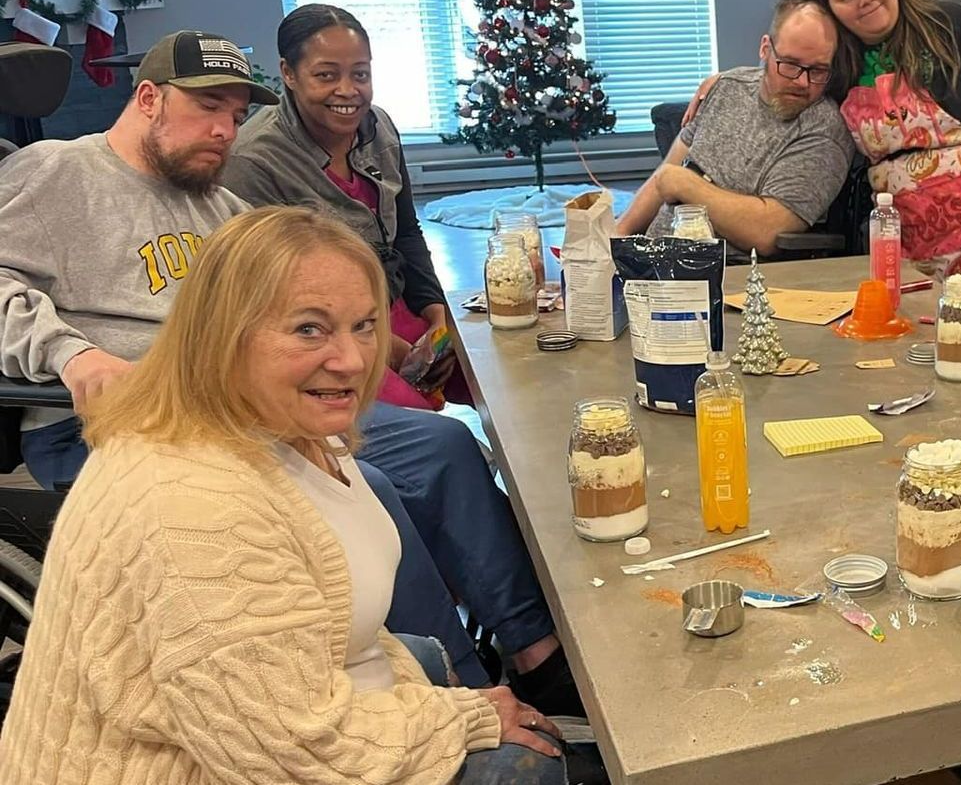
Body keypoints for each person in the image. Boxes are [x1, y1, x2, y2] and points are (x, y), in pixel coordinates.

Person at [0, 29, 583, 707]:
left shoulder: (218, 206)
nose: (223, 131)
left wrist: (384, 342)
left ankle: (536, 652)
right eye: (207, 108)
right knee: (358, 485)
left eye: (235, 116)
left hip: (253, 404)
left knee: (445, 444)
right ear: (149, 98)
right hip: (135, 421)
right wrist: (72, 354)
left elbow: (303, 292)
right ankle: (456, 695)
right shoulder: (59, 172)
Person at [0, 206, 574, 785]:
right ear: (223, 335)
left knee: (426, 655)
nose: (352, 361)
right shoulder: (193, 506)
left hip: (264, 715)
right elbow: (296, 753)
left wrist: (451, 706)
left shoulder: (283, 426)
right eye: (309, 329)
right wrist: (465, 719)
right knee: (525, 770)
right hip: (200, 764)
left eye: (365, 325)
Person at [221, 4, 462, 412]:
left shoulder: (380, 127)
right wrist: (380, 343)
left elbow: (405, 232)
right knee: (430, 431)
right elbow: (270, 293)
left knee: (505, 374)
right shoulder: (253, 161)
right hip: (328, 335)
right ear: (288, 73)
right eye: (326, 75)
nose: (348, 91)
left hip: (397, 306)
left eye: (361, 74)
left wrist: (439, 317)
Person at [797, 0, 961, 276]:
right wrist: (726, 80)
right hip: (910, 246)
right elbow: (787, 69)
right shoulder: (838, 69)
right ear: (829, 10)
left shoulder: (952, 19)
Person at [616, 0, 854, 254]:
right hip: (653, 261)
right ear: (765, 48)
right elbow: (665, 174)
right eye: (790, 64)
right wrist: (615, 237)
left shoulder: (822, 129)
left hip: (725, 276)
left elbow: (768, 232)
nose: (802, 82)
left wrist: (685, 185)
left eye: (818, 70)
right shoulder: (727, 87)